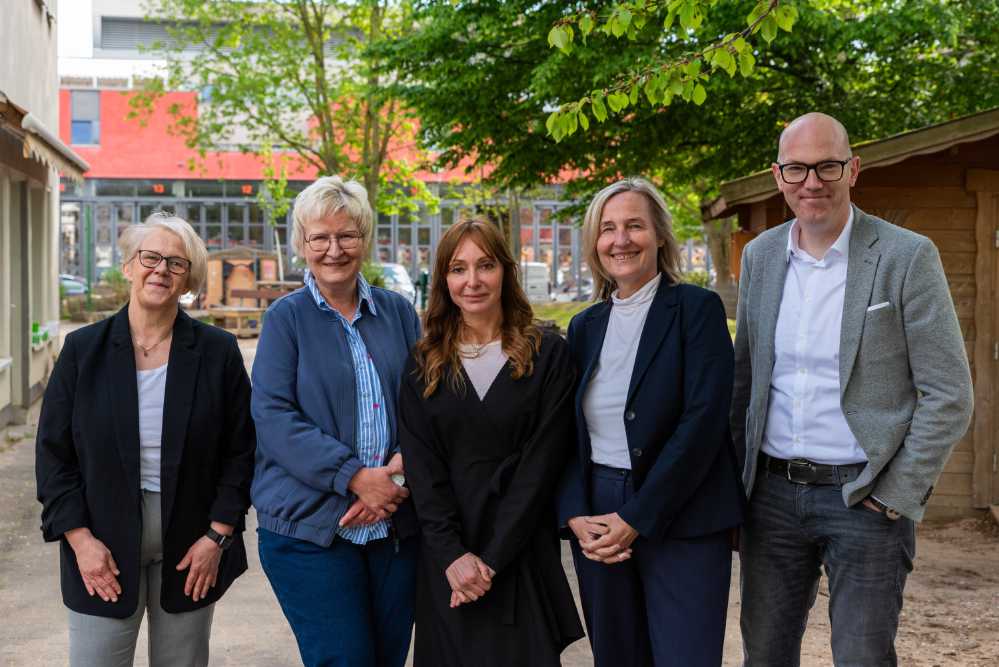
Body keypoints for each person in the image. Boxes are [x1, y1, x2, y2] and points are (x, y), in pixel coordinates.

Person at [731, 112, 975, 666]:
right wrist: (735, 487)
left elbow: (949, 393)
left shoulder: (906, 256)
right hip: (770, 497)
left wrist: (895, 494)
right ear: (778, 176)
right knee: (764, 656)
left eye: (828, 166)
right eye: (797, 169)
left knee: (863, 658)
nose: (812, 182)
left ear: (853, 169)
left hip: (864, 497)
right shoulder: (760, 257)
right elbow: (743, 381)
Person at [35, 212, 255, 666]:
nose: (161, 270)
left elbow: (242, 451)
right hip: (100, 535)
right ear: (129, 266)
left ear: (188, 278)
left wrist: (217, 537)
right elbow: (54, 455)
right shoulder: (83, 351)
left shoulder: (218, 352)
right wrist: (79, 540)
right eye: (150, 257)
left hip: (192, 539)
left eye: (176, 263)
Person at [557, 177, 744, 667]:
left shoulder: (697, 310)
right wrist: (574, 513)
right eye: (608, 228)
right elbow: (566, 434)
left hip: (684, 512)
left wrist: (638, 517)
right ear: (595, 243)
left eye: (634, 226)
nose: (621, 240)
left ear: (660, 235)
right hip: (600, 517)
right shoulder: (584, 327)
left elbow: (703, 423)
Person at [398, 220, 584, 667]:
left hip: (521, 551)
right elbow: (423, 470)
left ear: (506, 270)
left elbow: (542, 466)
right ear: (443, 280)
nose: (473, 281)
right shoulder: (424, 363)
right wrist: (453, 556)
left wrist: (492, 560)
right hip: (448, 562)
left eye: (485, 265)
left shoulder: (547, 354)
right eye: (458, 268)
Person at [251, 176, 419, 667]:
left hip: (393, 523)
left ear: (364, 238)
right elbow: (273, 417)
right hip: (310, 528)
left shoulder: (398, 313)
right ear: (302, 244)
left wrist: (396, 477)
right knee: (344, 659)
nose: (334, 249)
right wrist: (355, 478)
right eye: (319, 237)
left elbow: (426, 405)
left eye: (346, 235)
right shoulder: (285, 319)